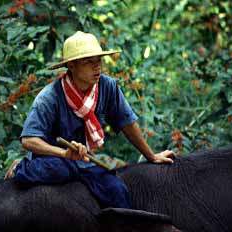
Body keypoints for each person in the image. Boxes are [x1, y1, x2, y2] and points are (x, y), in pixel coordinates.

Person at [10, 31, 175, 209]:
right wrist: (64, 154)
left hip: (86, 162)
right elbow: (28, 140)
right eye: (89, 62)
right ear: (71, 65)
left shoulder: (108, 86)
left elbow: (127, 122)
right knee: (60, 169)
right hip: (54, 160)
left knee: (117, 190)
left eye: (99, 61)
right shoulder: (49, 97)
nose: (97, 67)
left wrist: (151, 156)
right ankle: (23, 167)